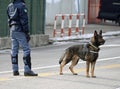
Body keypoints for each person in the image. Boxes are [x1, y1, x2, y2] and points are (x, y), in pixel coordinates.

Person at [7, 0, 38, 76]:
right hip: (20, 30)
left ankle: (15, 70)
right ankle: (27, 70)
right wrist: (27, 32)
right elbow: (24, 20)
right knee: (26, 49)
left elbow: (9, 18)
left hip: (12, 30)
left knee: (14, 49)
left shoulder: (9, 6)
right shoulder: (21, 5)